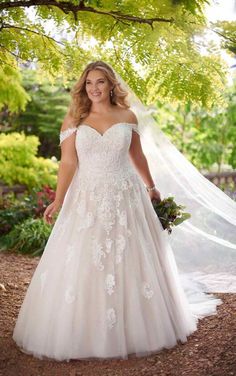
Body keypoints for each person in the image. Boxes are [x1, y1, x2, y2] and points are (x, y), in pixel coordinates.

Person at [12, 60, 222, 362]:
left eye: (100, 82)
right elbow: (68, 162)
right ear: (83, 87)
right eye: (89, 83)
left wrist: (151, 186)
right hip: (88, 196)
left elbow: (137, 154)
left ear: (111, 85)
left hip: (126, 194)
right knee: (86, 257)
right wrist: (59, 200)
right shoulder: (74, 118)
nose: (94, 88)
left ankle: (139, 326)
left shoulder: (127, 115)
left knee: (130, 257)